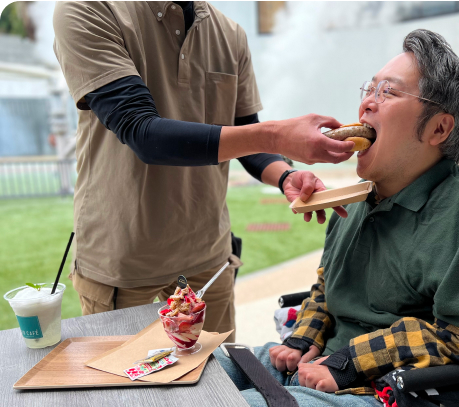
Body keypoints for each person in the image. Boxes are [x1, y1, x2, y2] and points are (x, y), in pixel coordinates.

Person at [214, 29, 459, 407]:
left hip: (396, 406)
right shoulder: (356, 201)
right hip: (322, 370)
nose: (367, 104)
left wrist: (349, 361)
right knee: (203, 377)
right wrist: (306, 335)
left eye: (389, 92)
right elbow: (327, 285)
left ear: (439, 127)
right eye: (370, 89)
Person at [52, 1, 354, 341]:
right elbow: (141, 132)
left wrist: (285, 175)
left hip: (207, 254)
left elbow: (243, 131)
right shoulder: (89, 9)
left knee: (218, 379)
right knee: (125, 389)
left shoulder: (229, 33)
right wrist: (277, 134)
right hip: (123, 256)